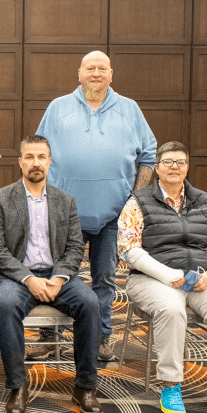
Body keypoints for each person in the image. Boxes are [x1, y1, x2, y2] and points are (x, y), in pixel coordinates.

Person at [35, 51, 157, 362]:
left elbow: (149, 154)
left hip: (113, 215)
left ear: (111, 74)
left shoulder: (129, 109)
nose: (96, 73)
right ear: (79, 73)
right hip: (64, 216)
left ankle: (101, 336)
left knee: (104, 279)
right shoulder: (58, 108)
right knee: (56, 274)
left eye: (102, 68)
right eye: (90, 68)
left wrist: (135, 200)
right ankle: (50, 335)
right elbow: (39, 151)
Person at [119, 141, 207, 413]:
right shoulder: (138, 201)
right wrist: (167, 275)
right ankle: (171, 384)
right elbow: (128, 250)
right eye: (167, 162)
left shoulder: (204, 200)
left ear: (187, 167)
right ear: (157, 168)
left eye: (180, 162)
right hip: (151, 278)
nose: (174, 167)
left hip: (201, 277)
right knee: (171, 309)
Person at [0, 135, 103, 413]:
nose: (35, 163)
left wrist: (60, 278)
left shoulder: (66, 201)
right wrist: (28, 279)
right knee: (7, 305)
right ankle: (18, 386)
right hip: (15, 277)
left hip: (57, 275)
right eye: (30, 157)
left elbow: (75, 247)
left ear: (50, 162)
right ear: (20, 162)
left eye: (41, 157)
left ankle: (85, 386)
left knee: (90, 303)